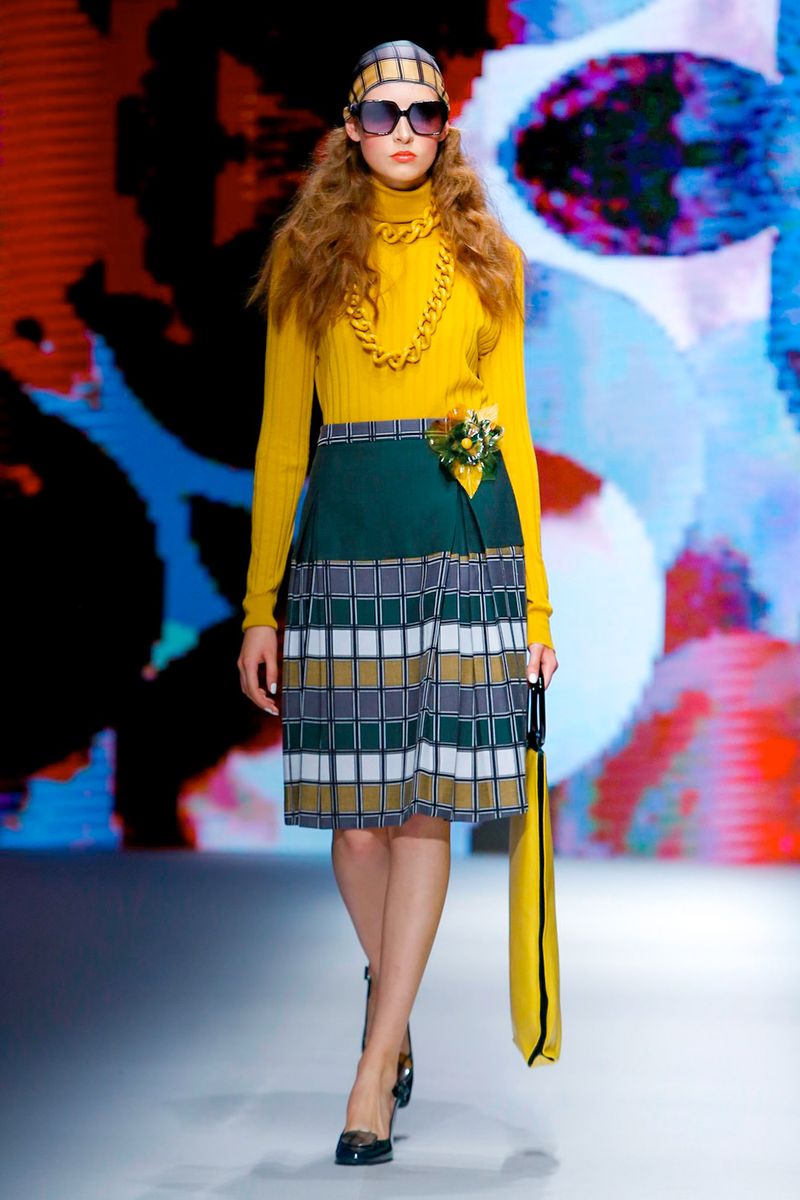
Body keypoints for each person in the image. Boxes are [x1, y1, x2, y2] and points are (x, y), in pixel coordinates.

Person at [237, 39, 559, 1166]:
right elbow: (283, 443)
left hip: (461, 545)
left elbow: (511, 441)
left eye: (423, 113)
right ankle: (393, 991)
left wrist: (536, 613)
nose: (405, 132)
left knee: (423, 806)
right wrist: (260, 606)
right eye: (384, 115)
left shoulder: (487, 258)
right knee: (354, 817)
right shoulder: (307, 258)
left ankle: (373, 1068)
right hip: (343, 549)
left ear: (445, 126)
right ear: (350, 128)